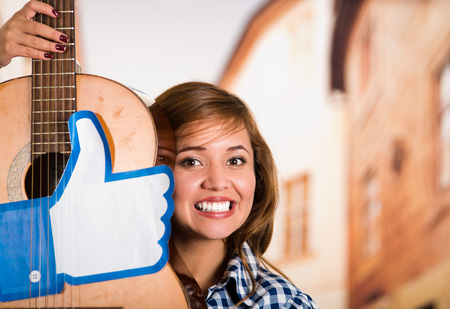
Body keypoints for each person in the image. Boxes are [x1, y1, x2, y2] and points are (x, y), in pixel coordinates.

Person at [0, 1, 319, 308]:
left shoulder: (284, 303)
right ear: (152, 168)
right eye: (191, 161)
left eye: (235, 160)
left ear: (257, 174)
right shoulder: (75, 268)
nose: (218, 181)